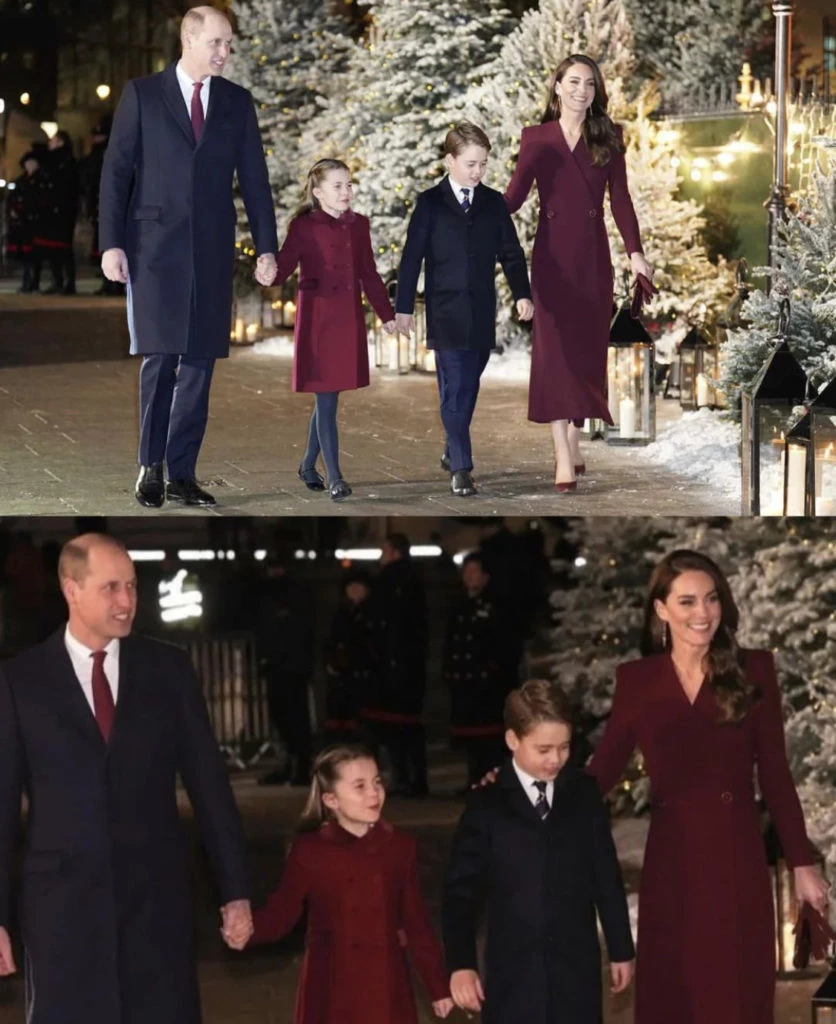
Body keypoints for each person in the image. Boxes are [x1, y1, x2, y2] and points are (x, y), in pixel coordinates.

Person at [0, 533, 252, 1024]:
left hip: (157, 904)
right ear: (71, 589)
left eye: (132, 586)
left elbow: (209, 786)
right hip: (61, 911)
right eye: (111, 587)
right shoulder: (19, 682)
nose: (126, 601)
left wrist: (235, 889)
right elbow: (2, 808)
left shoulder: (169, 670)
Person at [587, 549, 830, 1024]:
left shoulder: (754, 669)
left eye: (711, 599)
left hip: (735, 856)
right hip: (671, 859)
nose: (703, 614)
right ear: (661, 609)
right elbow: (602, 772)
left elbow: (775, 772)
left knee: (734, 991)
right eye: (687, 602)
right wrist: (524, 789)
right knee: (673, 991)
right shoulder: (636, 681)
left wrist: (800, 860)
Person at [99, 6, 278, 510]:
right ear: (190, 40)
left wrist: (267, 246)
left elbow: (256, 180)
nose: (226, 53)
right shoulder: (142, 95)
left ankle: (182, 472)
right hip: (152, 249)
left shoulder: (237, 103)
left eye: (229, 45)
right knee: (160, 357)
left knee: (200, 363)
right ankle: (149, 468)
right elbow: (116, 174)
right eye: (218, 43)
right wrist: (111, 242)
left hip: (212, 251)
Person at [443, 679, 634, 1023]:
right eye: (543, 749)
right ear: (513, 740)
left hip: (576, 969)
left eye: (564, 747)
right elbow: (460, 894)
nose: (556, 760)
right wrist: (461, 963)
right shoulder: (486, 805)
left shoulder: (584, 795)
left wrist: (621, 948)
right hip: (512, 974)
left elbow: (605, 876)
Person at [504, 54, 654, 491]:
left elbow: (620, 200)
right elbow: (513, 198)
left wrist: (635, 253)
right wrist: (470, 203)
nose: (581, 90)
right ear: (557, 86)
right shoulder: (536, 139)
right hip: (550, 261)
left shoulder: (609, 136)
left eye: (589, 84)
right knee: (555, 356)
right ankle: (561, 455)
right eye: (573, 82)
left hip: (592, 261)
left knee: (585, 355)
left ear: (596, 91)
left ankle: (572, 439)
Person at [239, 744, 454, 1023]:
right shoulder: (310, 851)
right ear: (331, 800)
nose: (374, 793)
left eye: (377, 782)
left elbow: (416, 923)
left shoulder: (399, 846)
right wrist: (246, 929)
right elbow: (283, 913)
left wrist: (438, 986)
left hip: (386, 982)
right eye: (359, 786)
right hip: (332, 984)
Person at [396, 122, 533, 497]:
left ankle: (450, 447)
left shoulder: (492, 203)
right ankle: (461, 467)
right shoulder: (429, 204)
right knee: (456, 387)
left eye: (483, 164)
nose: (477, 172)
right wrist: (403, 308)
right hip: (445, 311)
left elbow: (511, 253)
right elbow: (411, 260)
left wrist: (523, 293)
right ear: (450, 161)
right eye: (471, 164)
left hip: (480, 311)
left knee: (466, 388)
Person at [269, 158, 396, 501]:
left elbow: (368, 273)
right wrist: (267, 272)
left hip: (347, 319)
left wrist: (387, 315)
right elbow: (282, 268)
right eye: (338, 186)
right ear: (318, 191)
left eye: (349, 185)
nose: (346, 192)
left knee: (329, 397)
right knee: (326, 399)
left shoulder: (359, 225)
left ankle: (309, 465)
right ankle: (335, 476)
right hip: (317, 322)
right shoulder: (304, 226)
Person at [443, 552, 519, 787]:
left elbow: (505, 642)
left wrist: (493, 669)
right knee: (470, 737)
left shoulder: (497, 604)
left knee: (489, 737)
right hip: (465, 680)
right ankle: (474, 778)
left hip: (488, 682)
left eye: (474, 571)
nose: (469, 576)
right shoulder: (459, 604)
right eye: (466, 572)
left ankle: (493, 780)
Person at [362, 534, 429, 796]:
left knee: (400, 728)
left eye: (384, 551)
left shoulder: (395, 582)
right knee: (400, 728)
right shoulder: (409, 581)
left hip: (395, 667)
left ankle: (408, 778)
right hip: (400, 666)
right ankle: (408, 778)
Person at [254, 553, 316, 786]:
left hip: (289, 665)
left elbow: (294, 632)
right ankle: (292, 763)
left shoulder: (288, 595)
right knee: (283, 716)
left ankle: (299, 765)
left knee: (294, 717)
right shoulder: (271, 595)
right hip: (280, 665)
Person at [322, 570, 375, 744]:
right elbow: (331, 641)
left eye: (358, 587)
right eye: (351, 587)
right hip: (341, 676)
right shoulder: (341, 614)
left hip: (362, 676)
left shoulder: (371, 615)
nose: (354, 591)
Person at [79, 117, 123, 296]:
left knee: (111, 244)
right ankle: (109, 283)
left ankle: (114, 284)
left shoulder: (105, 152)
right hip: (99, 202)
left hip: (107, 202)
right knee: (105, 244)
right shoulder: (97, 154)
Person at [35, 130, 80, 295]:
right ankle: (58, 281)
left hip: (62, 211)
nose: (49, 142)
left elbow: (68, 186)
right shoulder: (52, 159)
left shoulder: (66, 161)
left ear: (60, 141)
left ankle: (69, 283)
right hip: (51, 210)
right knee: (52, 247)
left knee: (64, 248)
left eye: (53, 139)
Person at [5, 151, 44, 293]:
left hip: (33, 223)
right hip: (21, 224)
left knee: (34, 256)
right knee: (25, 257)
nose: (30, 166)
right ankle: (27, 282)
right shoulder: (21, 181)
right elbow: (13, 198)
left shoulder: (40, 181)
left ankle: (33, 282)